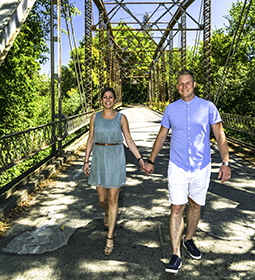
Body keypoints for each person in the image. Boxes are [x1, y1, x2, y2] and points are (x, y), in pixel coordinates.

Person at [144, 68, 231, 274]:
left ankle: (188, 239)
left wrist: (225, 162)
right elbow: (162, 137)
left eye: (188, 83)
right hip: (177, 166)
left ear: (194, 84)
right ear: (177, 87)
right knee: (176, 207)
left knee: (195, 204)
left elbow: (220, 135)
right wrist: (150, 160)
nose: (184, 87)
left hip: (202, 166)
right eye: (181, 84)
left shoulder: (208, 107)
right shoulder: (170, 109)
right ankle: (176, 254)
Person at [83, 87, 145, 255]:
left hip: (116, 158)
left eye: (111, 97)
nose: (108, 100)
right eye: (105, 97)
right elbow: (90, 140)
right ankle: (107, 214)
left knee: (112, 198)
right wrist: (86, 160)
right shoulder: (94, 117)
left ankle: (110, 237)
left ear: (115, 100)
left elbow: (129, 141)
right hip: (99, 158)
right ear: (101, 100)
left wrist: (140, 159)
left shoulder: (121, 118)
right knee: (102, 199)